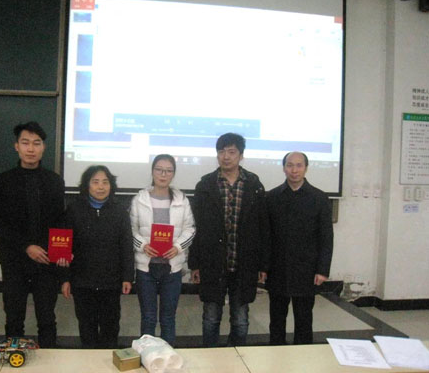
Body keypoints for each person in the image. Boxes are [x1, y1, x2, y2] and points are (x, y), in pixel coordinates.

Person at [188, 132, 269, 347]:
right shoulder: (205, 185)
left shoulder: (254, 185)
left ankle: (237, 356)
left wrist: (263, 264)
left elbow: (262, 228)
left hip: (245, 263)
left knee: (241, 319)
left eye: (231, 152)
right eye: (221, 152)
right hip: (212, 262)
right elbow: (196, 227)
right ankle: (209, 356)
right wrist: (195, 264)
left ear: (241, 155)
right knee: (211, 317)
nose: (226, 156)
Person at [0, 121, 65, 348]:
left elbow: (59, 222)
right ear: (17, 146)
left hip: (46, 260)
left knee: (47, 317)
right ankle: (15, 358)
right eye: (25, 143)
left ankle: (49, 359)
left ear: (43, 147)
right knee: (14, 317)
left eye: (36, 143)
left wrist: (55, 251)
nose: (31, 149)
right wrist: (26, 247)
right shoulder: (3, 181)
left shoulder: (54, 181)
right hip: (14, 259)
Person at [61, 165, 134, 349]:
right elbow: (65, 246)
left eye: (105, 182)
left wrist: (127, 277)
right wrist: (65, 279)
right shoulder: (74, 210)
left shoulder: (120, 211)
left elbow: (126, 246)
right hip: (82, 282)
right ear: (87, 185)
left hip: (111, 282)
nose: (100, 187)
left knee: (110, 328)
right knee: (87, 328)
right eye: (95, 182)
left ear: (111, 185)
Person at [265, 151, 333, 345]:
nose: (294, 170)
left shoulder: (319, 198)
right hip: (278, 269)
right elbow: (266, 236)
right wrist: (264, 267)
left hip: (307, 269)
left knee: (304, 319)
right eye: (289, 165)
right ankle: (275, 353)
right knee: (276, 319)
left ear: (306, 168)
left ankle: (303, 355)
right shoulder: (272, 197)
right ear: (283, 168)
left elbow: (326, 237)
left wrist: (322, 270)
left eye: (299, 165)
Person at [130, 154, 195, 346]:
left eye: (168, 170)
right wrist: (143, 245)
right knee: (148, 317)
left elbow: (190, 229)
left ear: (173, 174)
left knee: (168, 318)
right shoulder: (139, 199)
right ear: (152, 171)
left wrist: (177, 247)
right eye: (159, 169)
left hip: (172, 268)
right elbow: (131, 230)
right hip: (146, 268)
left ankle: (168, 358)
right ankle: (148, 356)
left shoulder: (182, 200)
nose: (163, 174)